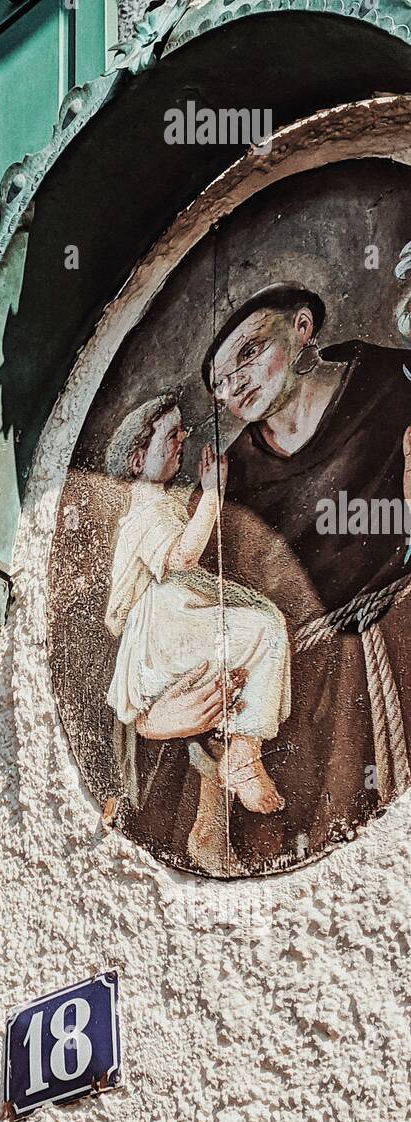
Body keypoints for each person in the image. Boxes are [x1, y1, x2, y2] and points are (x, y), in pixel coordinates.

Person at [121, 283, 411, 874]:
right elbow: (188, 628)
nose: (237, 386)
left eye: (250, 353)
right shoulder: (234, 489)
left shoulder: (390, 383)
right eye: (222, 382)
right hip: (301, 733)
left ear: (302, 328)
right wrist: (157, 718)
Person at [104, 394, 290, 813]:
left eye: (181, 432)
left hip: (178, 617)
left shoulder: (161, 504)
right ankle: (242, 757)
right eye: (170, 436)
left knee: (265, 625)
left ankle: (239, 751)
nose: (182, 441)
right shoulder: (145, 512)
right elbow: (182, 558)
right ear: (138, 462)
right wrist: (211, 494)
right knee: (264, 629)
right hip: (165, 626)